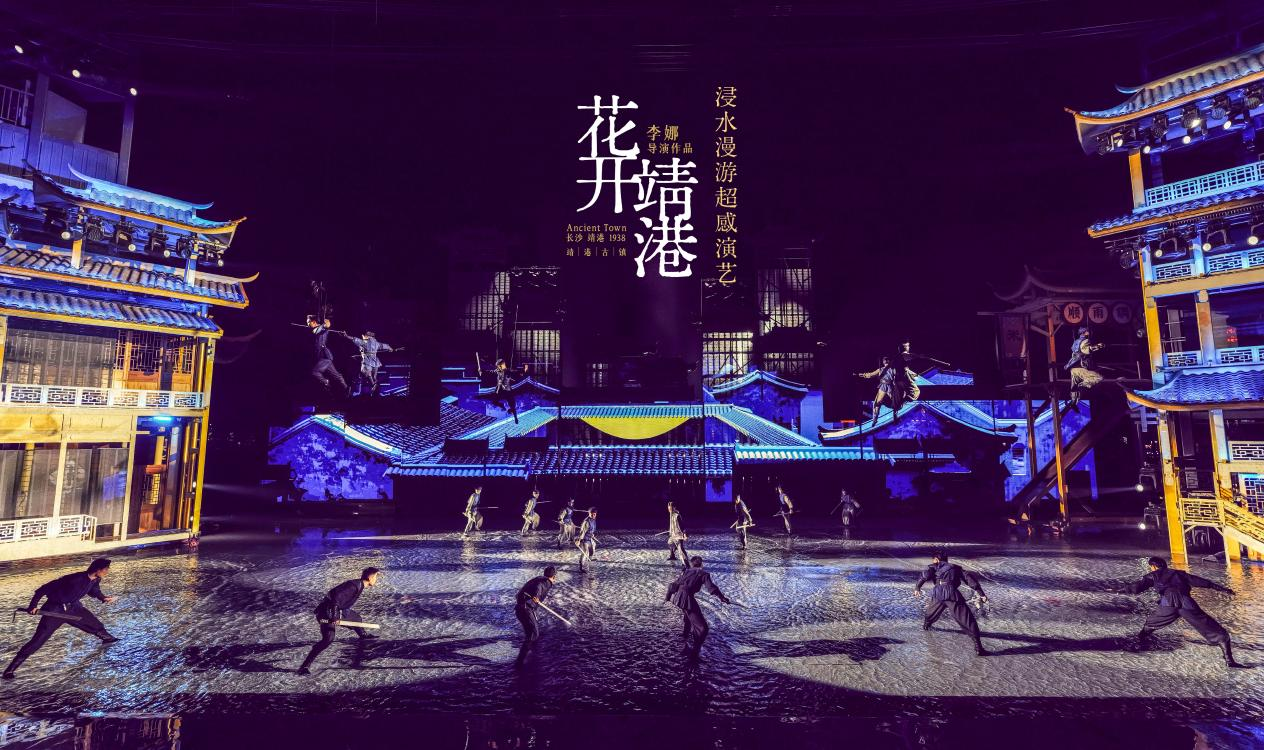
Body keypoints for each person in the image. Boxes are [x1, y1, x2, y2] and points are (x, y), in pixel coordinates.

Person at [3, 559, 119, 679]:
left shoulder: (96, 579)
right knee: (38, 640)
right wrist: (33, 606)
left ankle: (108, 639)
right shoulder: (74, 578)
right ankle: (10, 670)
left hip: (74, 608)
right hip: (55, 610)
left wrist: (103, 598)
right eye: (105, 569)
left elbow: (94, 590)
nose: (107, 571)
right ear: (97, 569)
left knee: (95, 624)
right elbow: (43, 589)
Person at [1123, 556, 1242, 668]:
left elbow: (1136, 587)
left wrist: (1122, 589)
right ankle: (1229, 661)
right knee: (1218, 631)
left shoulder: (1153, 575)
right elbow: (1202, 582)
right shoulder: (1180, 573)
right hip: (1187, 604)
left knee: (1150, 624)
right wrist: (1223, 589)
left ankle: (1137, 643)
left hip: (1168, 605)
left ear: (1153, 566)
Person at [298, 567, 381, 675]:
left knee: (356, 619)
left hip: (339, 610)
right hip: (327, 612)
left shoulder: (359, 585)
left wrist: (338, 613)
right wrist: (335, 616)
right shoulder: (353, 586)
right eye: (375, 577)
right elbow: (335, 598)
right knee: (328, 639)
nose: (376, 580)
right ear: (370, 578)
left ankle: (363, 635)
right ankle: (304, 666)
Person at [914, 550, 989, 656]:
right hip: (953, 595)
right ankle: (979, 648)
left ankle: (926, 627)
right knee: (968, 620)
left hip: (938, 595)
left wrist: (917, 587)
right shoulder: (956, 568)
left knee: (930, 614)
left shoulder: (934, 567)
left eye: (933, 560)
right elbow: (970, 580)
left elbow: (924, 576)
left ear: (936, 559)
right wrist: (981, 594)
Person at [666, 556, 732, 658]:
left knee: (688, 617)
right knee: (703, 629)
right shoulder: (704, 574)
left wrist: (668, 597)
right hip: (686, 599)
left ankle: (684, 638)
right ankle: (695, 652)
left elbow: (673, 585)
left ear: (692, 564)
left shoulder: (686, 571)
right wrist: (722, 598)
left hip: (678, 598)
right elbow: (711, 588)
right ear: (702, 564)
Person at [514, 565, 558, 668]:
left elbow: (522, 591)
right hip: (526, 609)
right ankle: (520, 662)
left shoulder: (538, 578)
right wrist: (536, 595)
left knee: (531, 633)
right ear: (554, 577)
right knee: (533, 634)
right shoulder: (546, 582)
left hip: (521, 609)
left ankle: (531, 654)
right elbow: (539, 587)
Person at [342, 330, 396, 397]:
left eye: (366, 335)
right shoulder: (377, 343)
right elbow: (384, 346)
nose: (364, 336)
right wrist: (390, 348)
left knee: (367, 373)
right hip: (375, 362)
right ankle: (374, 385)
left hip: (367, 361)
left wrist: (346, 336)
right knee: (374, 376)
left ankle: (373, 384)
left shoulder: (365, 342)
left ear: (369, 337)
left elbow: (354, 339)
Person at [306, 315, 350, 396]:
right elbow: (316, 331)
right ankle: (346, 388)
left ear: (314, 322)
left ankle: (326, 382)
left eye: (308, 322)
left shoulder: (321, 329)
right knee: (336, 375)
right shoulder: (315, 329)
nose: (307, 324)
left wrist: (324, 324)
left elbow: (326, 325)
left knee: (315, 372)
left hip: (325, 357)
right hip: (325, 358)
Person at [1065, 326, 1104, 411]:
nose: (1089, 333)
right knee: (1099, 378)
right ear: (1083, 333)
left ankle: (1073, 402)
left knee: (1074, 387)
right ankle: (1082, 385)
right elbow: (1086, 350)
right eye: (1087, 331)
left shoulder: (1076, 342)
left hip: (1073, 368)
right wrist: (1098, 346)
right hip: (1081, 367)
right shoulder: (1085, 340)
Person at [856, 356, 902, 426]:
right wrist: (861, 375)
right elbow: (870, 375)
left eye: (887, 360)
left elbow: (897, 378)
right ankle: (875, 419)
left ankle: (894, 416)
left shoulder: (893, 369)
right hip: (884, 387)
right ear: (883, 362)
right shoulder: (881, 370)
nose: (886, 362)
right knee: (877, 403)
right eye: (885, 360)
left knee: (894, 402)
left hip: (890, 387)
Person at [490, 358, 529, 425]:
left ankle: (515, 418)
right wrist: (481, 371)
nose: (498, 368)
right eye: (498, 367)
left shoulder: (508, 371)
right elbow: (490, 372)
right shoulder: (498, 371)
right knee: (494, 401)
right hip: (500, 390)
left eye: (499, 366)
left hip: (508, 391)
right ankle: (502, 405)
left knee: (512, 406)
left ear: (503, 365)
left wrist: (524, 370)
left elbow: (517, 372)